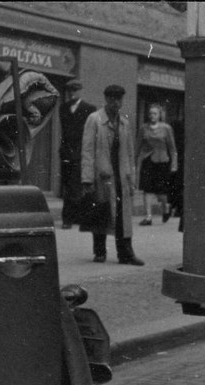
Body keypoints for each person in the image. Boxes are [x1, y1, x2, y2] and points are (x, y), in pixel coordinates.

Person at [80, 84, 143, 266]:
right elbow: (87, 150)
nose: (116, 103)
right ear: (106, 100)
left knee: (123, 217)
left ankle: (126, 254)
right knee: (101, 212)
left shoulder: (124, 123)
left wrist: (131, 178)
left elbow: (130, 153)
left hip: (121, 176)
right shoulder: (94, 119)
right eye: (113, 99)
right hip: (103, 175)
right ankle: (99, 252)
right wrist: (87, 178)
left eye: (119, 99)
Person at [58, 79, 95, 229]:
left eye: (75, 90)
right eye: (70, 91)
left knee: (76, 185)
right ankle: (71, 217)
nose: (72, 94)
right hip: (67, 152)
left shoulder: (89, 109)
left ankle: (70, 218)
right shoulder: (63, 108)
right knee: (68, 184)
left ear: (80, 91)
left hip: (81, 152)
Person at [136, 103, 177, 225]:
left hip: (162, 161)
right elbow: (138, 146)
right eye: (150, 113)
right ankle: (148, 217)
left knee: (161, 191)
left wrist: (174, 164)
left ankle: (166, 209)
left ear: (160, 115)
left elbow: (172, 148)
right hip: (148, 161)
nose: (152, 116)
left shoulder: (166, 128)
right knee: (147, 189)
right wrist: (135, 161)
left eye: (155, 113)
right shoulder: (144, 128)